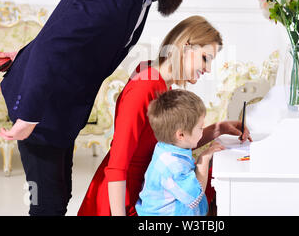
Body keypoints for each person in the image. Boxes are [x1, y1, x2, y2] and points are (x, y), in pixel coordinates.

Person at [0, 0, 220, 216]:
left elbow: (65, 27)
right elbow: (54, 45)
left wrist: (25, 51)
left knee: (60, 195)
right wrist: (28, 115)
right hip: (41, 110)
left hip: (63, 107)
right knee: (47, 204)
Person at [77, 15, 252, 216]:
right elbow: (118, 165)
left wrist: (219, 128)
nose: (207, 69)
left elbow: (174, 140)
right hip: (120, 201)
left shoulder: (158, 80)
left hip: (145, 193)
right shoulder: (146, 86)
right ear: (186, 48)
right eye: (205, 58)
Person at [136, 89, 225, 216]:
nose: (202, 129)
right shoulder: (173, 166)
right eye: (200, 127)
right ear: (181, 134)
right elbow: (195, 198)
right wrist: (204, 159)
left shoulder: (167, 146)